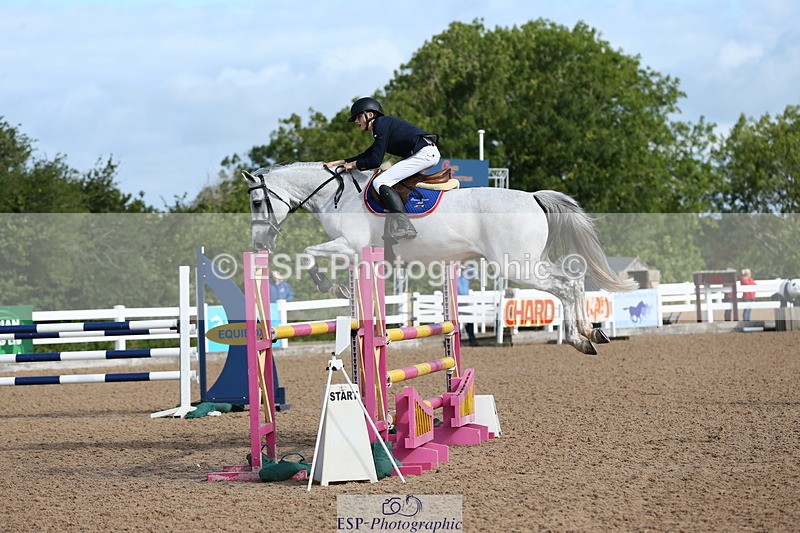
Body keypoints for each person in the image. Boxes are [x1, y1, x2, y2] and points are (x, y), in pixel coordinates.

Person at [324, 96, 440, 240]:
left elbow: (375, 161)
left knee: (380, 182)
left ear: (370, 115)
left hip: (424, 154)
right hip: (425, 152)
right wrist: (341, 161)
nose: (356, 121)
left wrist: (353, 165)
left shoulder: (380, 124)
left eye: (358, 117)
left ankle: (405, 226)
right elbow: (368, 153)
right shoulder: (383, 125)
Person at [456, 263, 479, 347]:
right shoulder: (451, 279)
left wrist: (465, 267)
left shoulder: (464, 277)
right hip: (456, 304)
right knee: (456, 323)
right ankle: (457, 341)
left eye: (458, 270)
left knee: (469, 321)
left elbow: (475, 272)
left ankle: (472, 340)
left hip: (465, 303)